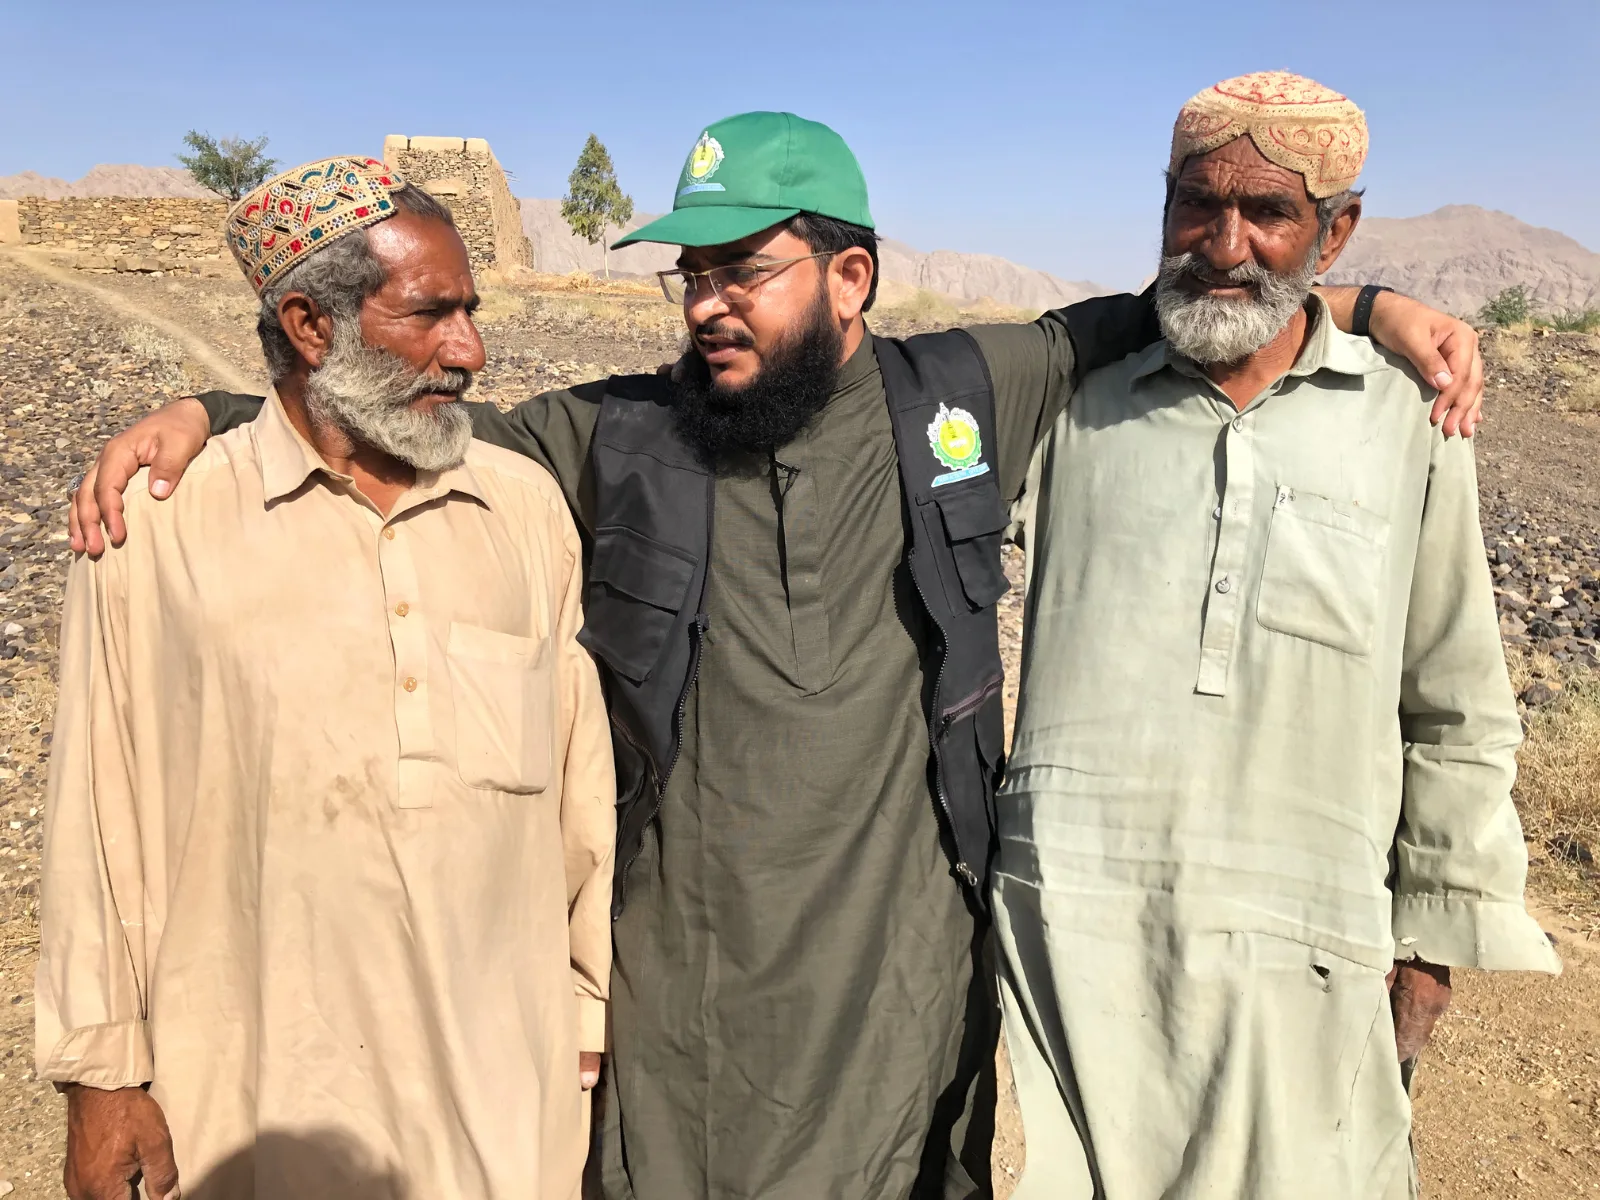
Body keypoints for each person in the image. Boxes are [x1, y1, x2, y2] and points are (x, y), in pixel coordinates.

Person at [68, 113, 1485, 1200]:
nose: (705, 305)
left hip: (902, 1002)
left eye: (743, 269)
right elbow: (395, 411)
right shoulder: (620, 435)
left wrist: (1368, 312)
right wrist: (206, 405)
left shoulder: (967, 395)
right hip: (681, 999)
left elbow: (1194, 298)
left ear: (851, 274)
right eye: (690, 275)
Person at [994, 72, 1560, 1200]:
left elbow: (1451, 696)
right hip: (1067, 931)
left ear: (1336, 230)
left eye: (1270, 215)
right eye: (1197, 206)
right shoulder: (1071, 404)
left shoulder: (1409, 423)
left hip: (1304, 945)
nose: (1224, 243)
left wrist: (1429, 938)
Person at [37, 157, 615, 1200]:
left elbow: (581, 799)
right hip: (254, 1100)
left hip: (499, 1103)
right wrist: (99, 1077)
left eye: (472, 312)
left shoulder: (524, 512)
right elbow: (96, 810)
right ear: (310, 325)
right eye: (432, 314)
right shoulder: (161, 524)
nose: (471, 350)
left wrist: (587, 1010)